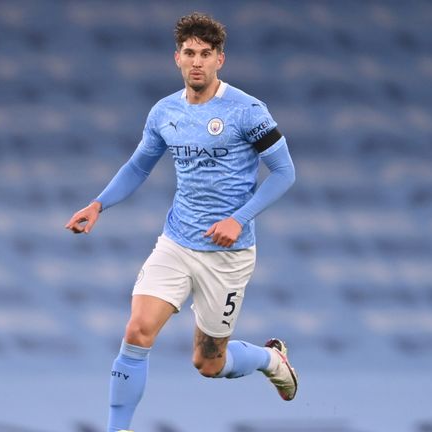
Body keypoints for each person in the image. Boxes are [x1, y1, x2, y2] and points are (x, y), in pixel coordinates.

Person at [65, 12, 297, 432]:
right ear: (177, 58)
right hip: (176, 243)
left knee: (209, 363)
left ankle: (270, 359)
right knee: (136, 332)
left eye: (205, 54)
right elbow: (139, 166)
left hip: (228, 254)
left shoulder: (248, 111)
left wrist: (238, 219)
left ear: (219, 60)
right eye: (189, 53)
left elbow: (285, 173)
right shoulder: (164, 112)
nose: (197, 62)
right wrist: (99, 204)